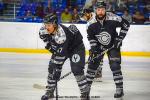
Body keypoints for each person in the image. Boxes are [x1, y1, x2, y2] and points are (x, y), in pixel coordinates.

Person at [39, 13, 90, 100]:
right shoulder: (43, 30)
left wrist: (57, 69)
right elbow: (46, 41)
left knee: (77, 69)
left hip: (76, 48)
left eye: (49, 25)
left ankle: (85, 92)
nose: (46, 27)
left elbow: (60, 56)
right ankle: (50, 91)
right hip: (61, 47)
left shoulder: (61, 35)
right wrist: (51, 49)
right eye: (45, 24)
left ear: (54, 24)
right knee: (52, 68)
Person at [86, 1, 130, 98]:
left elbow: (126, 25)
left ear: (105, 9)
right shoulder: (90, 23)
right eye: (98, 10)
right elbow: (91, 37)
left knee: (115, 66)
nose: (100, 11)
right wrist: (94, 48)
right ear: (95, 11)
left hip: (113, 45)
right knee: (92, 66)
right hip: (99, 47)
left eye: (102, 9)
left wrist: (119, 39)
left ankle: (119, 89)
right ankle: (86, 90)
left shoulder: (113, 17)